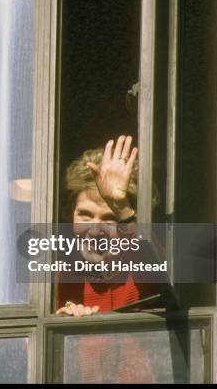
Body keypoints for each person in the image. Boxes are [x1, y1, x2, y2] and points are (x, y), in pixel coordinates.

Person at [55, 135, 160, 316]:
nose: (95, 231)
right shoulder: (57, 278)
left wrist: (121, 206)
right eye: (85, 216)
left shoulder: (143, 269)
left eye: (110, 218)